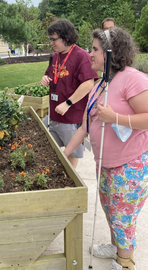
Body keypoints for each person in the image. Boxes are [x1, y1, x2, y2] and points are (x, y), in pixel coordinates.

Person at [64, 27, 148, 270]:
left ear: (111, 53)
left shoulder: (132, 78)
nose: (89, 54)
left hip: (129, 165)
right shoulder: (101, 83)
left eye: (95, 49)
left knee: (123, 218)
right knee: (110, 210)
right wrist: (64, 153)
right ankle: (114, 248)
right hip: (106, 164)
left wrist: (116, 117)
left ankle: (124, 263)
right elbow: (84, 128)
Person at [41, 18, 98, 168]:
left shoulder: (82, 56)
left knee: (72, 153)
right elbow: (51, 75)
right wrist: (45, 78)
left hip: (71, 117)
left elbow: (88, 83)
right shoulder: (55, 56)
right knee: (48, 148)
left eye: (54, 39)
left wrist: (68, 103)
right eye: (50, 39)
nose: (51, 43)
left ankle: (70, 182)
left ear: (66, 37)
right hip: (53, 114)